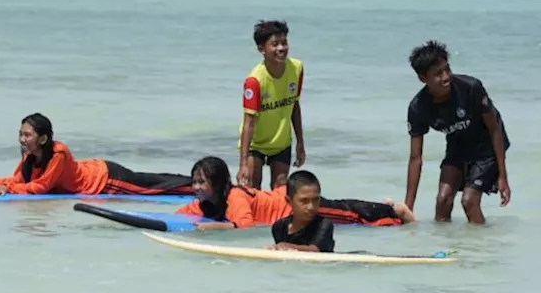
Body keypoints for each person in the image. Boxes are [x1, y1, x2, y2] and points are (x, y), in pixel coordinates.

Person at [405, 40, 511, 225]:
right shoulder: (418, 107)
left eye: (447, 69)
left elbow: (494, 129)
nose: (446, 77)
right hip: (457, 147)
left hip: (486, 147)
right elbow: (415, 158)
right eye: (438, 74)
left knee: (469, 201)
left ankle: (480, 248)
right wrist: (408, 208)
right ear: (423, 78)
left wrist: (503, 176)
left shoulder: (471, 88)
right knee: (442, 201)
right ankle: (447, 248)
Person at [0, 114, 191, 196]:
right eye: (20, 134)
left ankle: (196, 185)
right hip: (96, 172)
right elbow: (18, 180)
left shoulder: (58, 153)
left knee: (152, 187)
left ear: (42, 139)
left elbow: (40, 188)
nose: (22, 139)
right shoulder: (30, 155)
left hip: (105, 179)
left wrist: (7, 189)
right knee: (151, 181)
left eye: (27, 135)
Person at [177, 157, 415, 231]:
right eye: (194, 182)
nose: (196, 187)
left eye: (202, 183)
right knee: (344, 210)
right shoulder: (206, 202)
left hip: (294, 205)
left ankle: (394, 211)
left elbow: (245, 226)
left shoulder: (234, 198)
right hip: (292, 209)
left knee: (347, 213)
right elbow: (183, 213)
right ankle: (385, 207)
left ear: (218, 184)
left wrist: (211, 228)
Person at [237, 20, 305, 190]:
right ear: (261, 49)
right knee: (252, 189)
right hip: (256, 145)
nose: (281, 48)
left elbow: (294, 106)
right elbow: (249, 123)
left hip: (281, 143)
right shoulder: (254, 81)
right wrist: (243, 163)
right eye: (274, 44)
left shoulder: (296, 68)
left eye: (284, 42)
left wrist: (300, 143)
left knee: (281, 191)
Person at [270, 170, 336, 252]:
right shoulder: (279, 227)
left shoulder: (324, 224)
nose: (311, 207)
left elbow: (314, 250)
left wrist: (284, 246)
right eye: (304, 201)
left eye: (316, 200)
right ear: (288, 201)